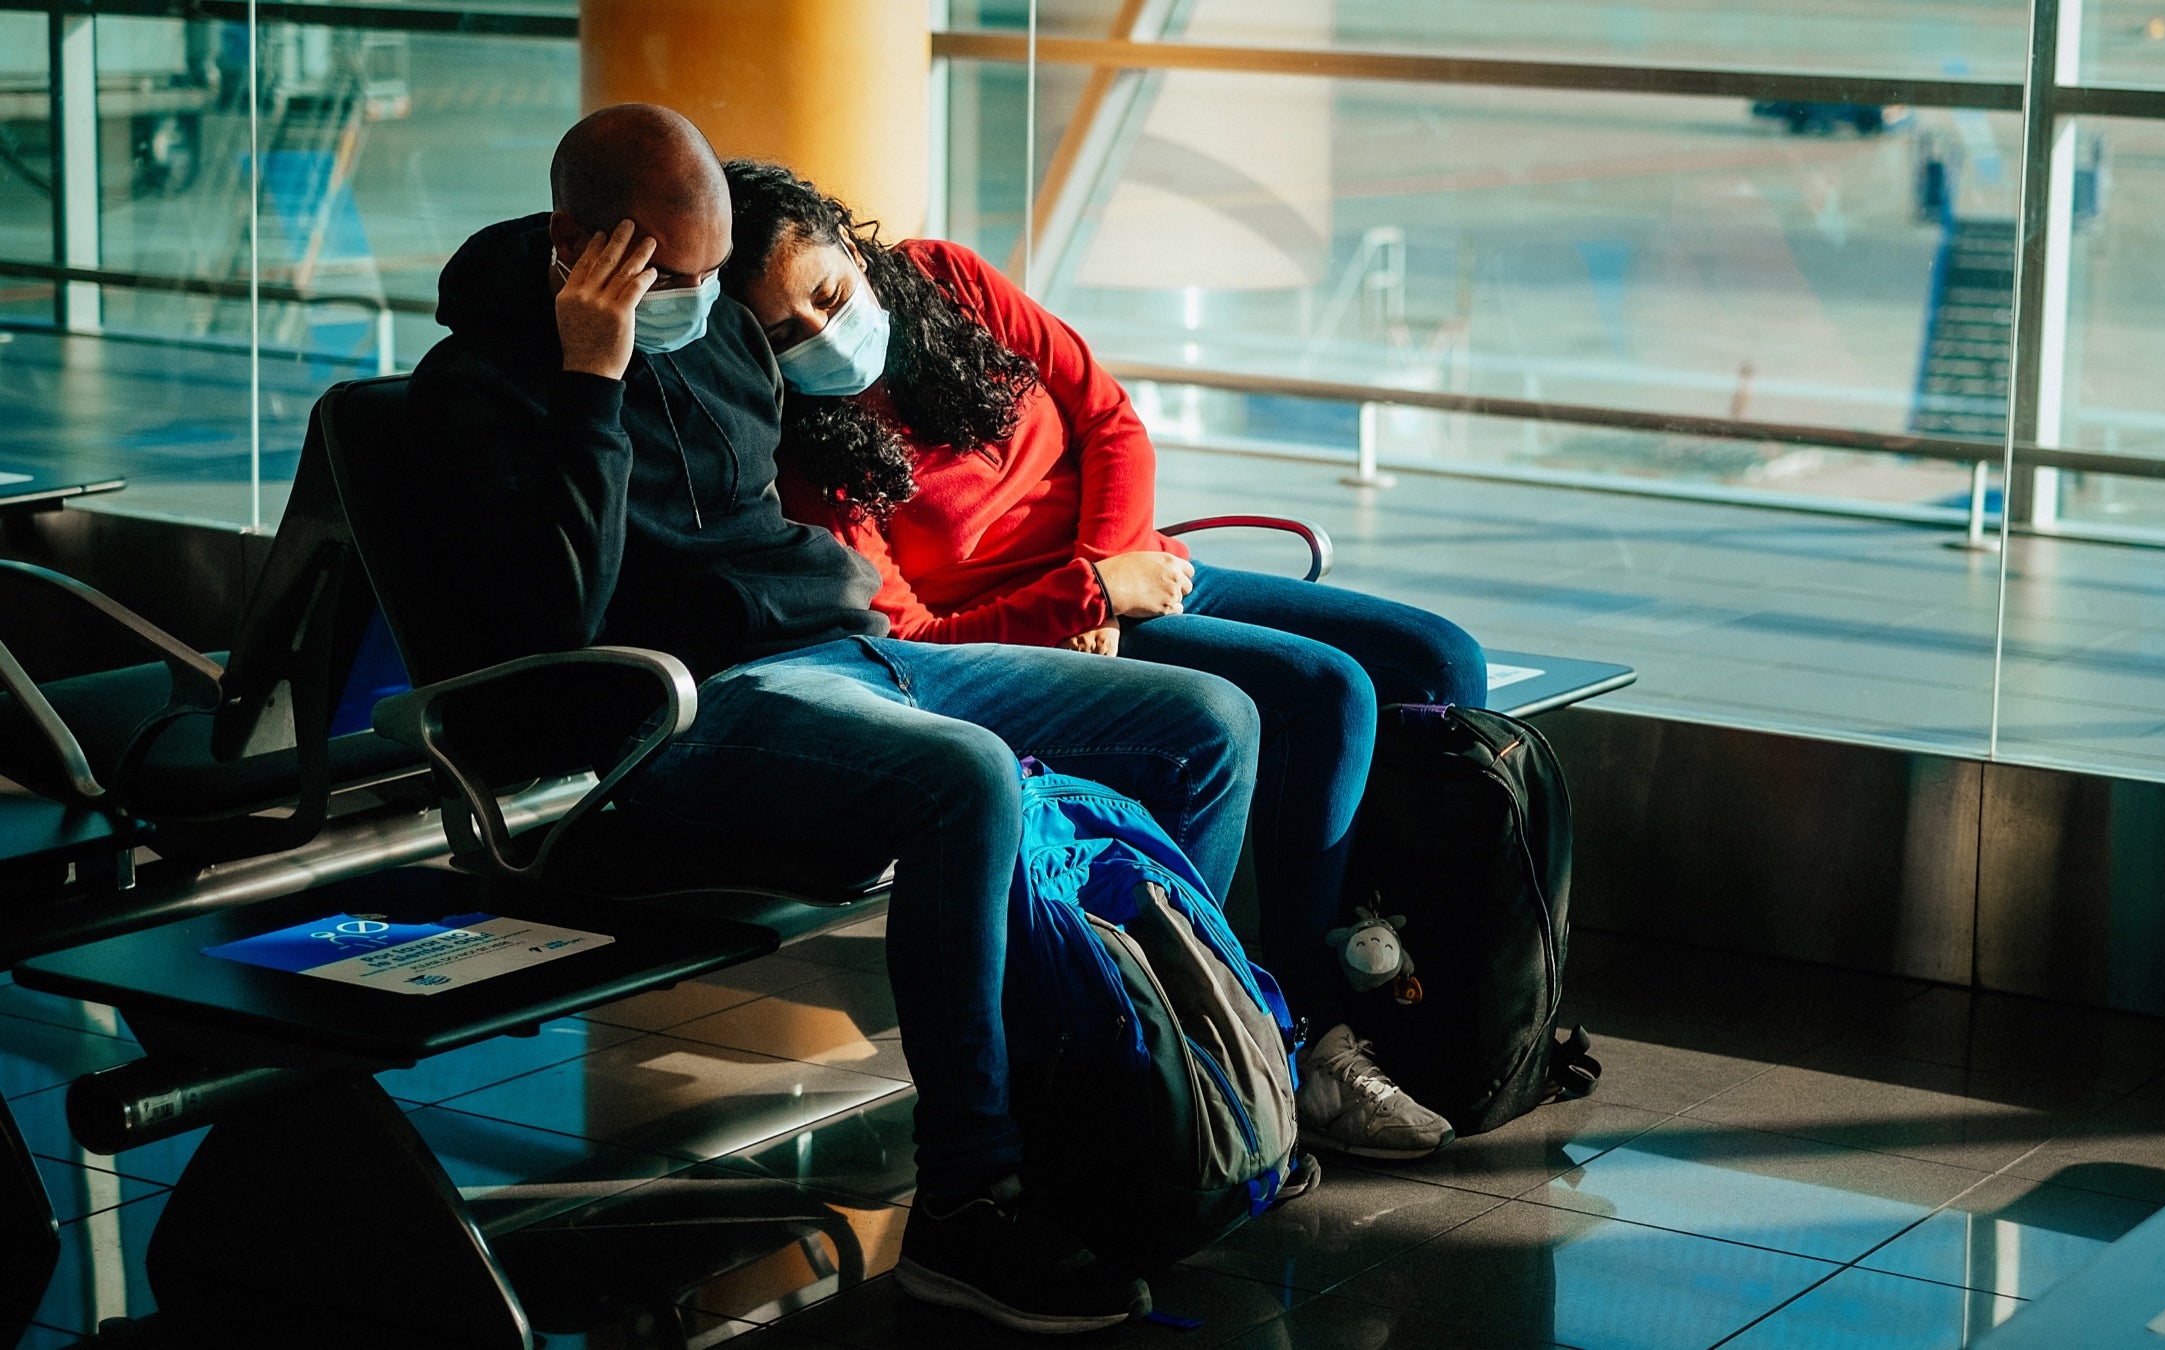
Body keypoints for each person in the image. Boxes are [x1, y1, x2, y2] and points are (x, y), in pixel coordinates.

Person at [408, 104, 1263, 1336]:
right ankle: (971, 1198)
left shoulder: (712, 335)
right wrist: (592, 381)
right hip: (682, 704)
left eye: (710, 276)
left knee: (1205, 722)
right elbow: (550, 621)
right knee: (966, 781)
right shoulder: (478, 388)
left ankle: (1127, 1113)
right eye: (669, 277)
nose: (699, 304)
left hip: (842, 651)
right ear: (576, 244)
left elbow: (757, 522)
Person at [719, 160, 1489, 1165]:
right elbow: (913, 641)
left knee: (1437, 664)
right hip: (1032, 630)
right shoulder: (799, 448)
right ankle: (1296, 1032)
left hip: (1129, 569)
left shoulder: (948, 279)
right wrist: (1086, 600)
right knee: (1328, 695)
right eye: (784, 334)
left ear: (852, 248)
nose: (823, 334)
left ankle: (1394, 987)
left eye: (828, 294)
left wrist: (1110, 567)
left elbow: (1106, 418)